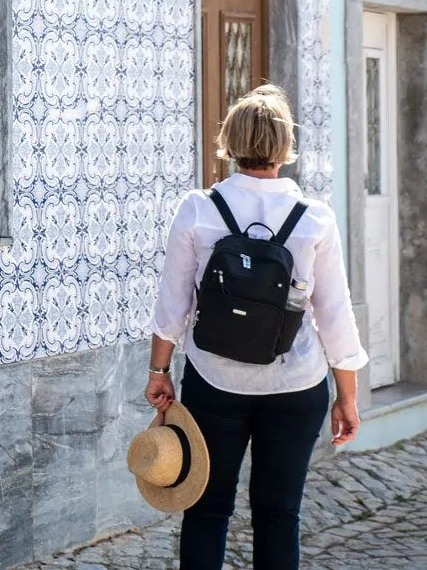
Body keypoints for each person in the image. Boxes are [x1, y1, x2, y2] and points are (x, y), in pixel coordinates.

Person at [144, 84, 368, 570]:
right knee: (279, 514)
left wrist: (159, 372)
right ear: (285, 146)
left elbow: (172, 304)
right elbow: (334, 314)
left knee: (206, 508)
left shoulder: (199, 210)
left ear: (230, 140)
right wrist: (346, 396)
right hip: (296, 384)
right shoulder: (315, 219)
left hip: (214, 382)